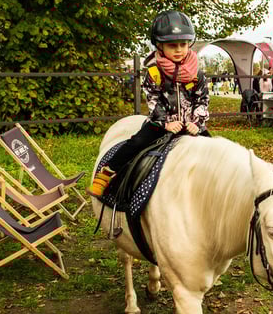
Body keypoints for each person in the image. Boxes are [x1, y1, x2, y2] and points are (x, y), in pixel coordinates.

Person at [89, 10, 209, 197]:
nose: (179, 50)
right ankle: (107, 173)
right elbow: (153, 100)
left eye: (183, 44)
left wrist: (196, 123)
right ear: (160, 46)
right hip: (162, 123)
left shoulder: (197, 74)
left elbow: (202, 100)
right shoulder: (154, 72)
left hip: (190, 123)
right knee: (136, 142)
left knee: (214, 149)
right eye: (172, 45)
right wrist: (166, 123)